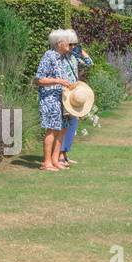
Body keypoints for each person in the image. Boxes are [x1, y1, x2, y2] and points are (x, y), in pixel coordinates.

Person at [35, 29, 80, 172]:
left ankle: (55, 160)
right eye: (67, 41)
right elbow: (39, 79)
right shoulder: (49, 56)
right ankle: (46, 162)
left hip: (61, 99)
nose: (69, 44)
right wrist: (59, 81)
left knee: (63, 128)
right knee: (52, 129)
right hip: (50, 99)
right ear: (59, 43)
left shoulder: (62, 58)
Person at [58, 29, 93, 168]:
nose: (72, 47)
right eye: (71, 44)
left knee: (72, 125)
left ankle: (65, 153)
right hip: (65, 93)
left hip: (75, 94)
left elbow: (89, 63)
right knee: (64, 126)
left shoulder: (73, 57)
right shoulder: (59, 57)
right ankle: (60, 155)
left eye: (74, 44)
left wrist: (81, 50)